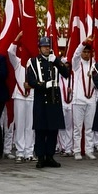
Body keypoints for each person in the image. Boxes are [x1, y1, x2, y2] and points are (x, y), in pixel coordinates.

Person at [26, 37, 70, 168]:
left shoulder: (56, 61)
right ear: (39, 48)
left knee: (53, 130)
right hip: (41, 98)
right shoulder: (33, 62)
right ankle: (40, 156)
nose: (46, 48)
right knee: (40, 130)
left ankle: (50, 156)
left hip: (54, 99)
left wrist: (56, 61)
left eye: (48, 46)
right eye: (44, 46)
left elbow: (66, 73)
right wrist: (45, 85)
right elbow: (31, 81)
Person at [69, 41, 98, 159]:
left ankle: (89, 149)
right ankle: (76, 150)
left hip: (91, 99)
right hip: (78, 100)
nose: (86, 54)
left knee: (90, 127)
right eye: (84, 52)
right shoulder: (76, 64)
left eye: (88, 52)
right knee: (77, 127)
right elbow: (75, 55)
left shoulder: (94, 64)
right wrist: (83, 43)